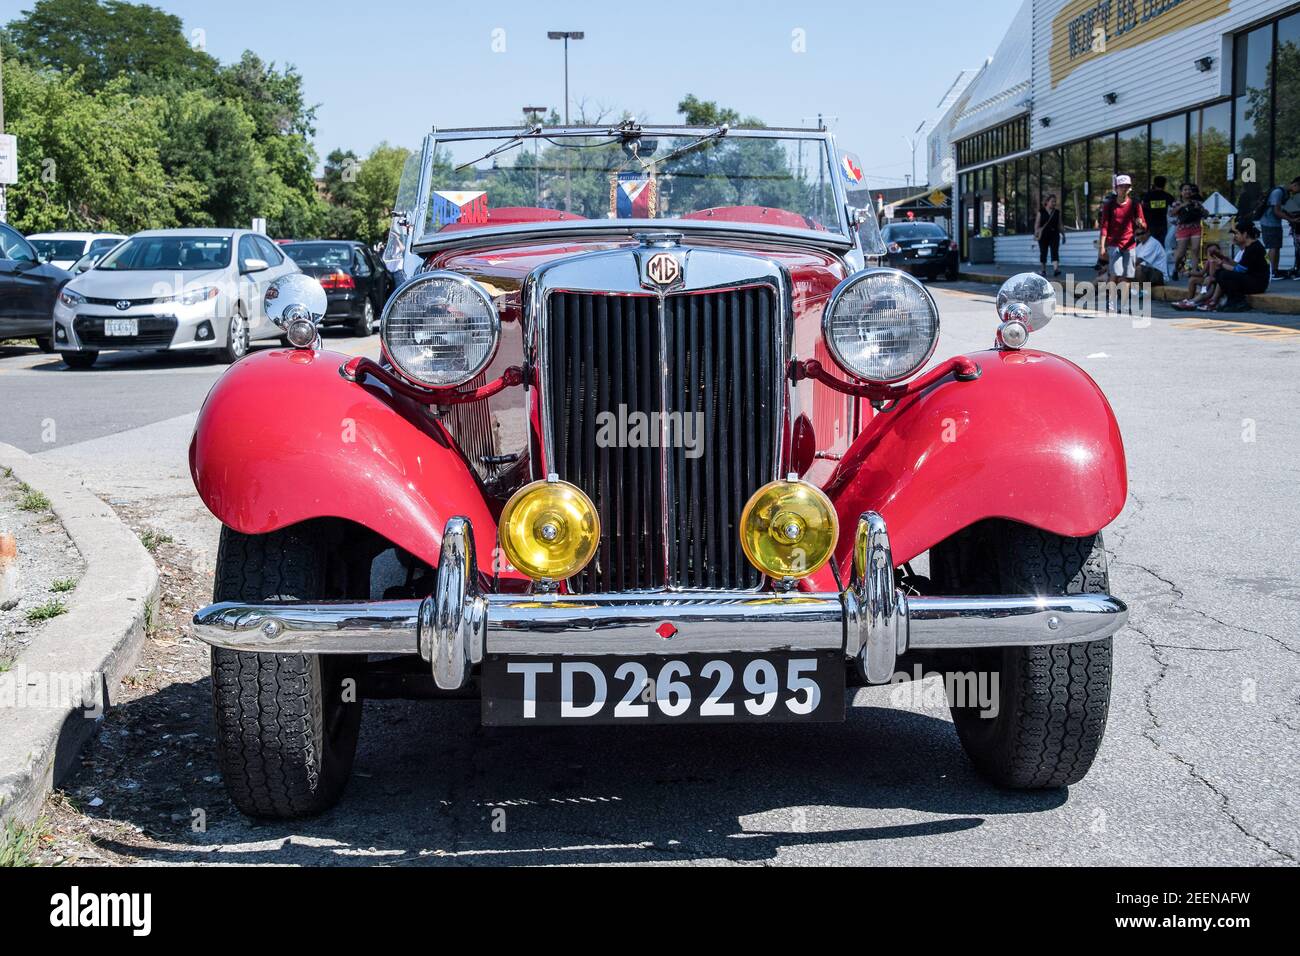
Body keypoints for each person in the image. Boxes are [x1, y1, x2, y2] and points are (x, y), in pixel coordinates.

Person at [1201, 221, 1269, 312]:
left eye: (1237, 233)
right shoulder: (1251, 247)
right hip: (1254, 280)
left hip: (1258, 284)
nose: (1235, 236)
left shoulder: (1253, 248)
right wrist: (1225, 259)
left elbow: (1239, 270)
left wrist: (1221, 264)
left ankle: (1238, 302)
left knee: (1224, 275)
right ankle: (1223, 300)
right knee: (1221, 274)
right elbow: (1241, 266)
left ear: (1245, 234)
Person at [1097, 173, 1147, 285]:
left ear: (1130, 188)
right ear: (1116, 188)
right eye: (1121, 186)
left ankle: (1123, 302)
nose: (1124, 189)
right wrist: (1102, 247)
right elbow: (1104, 227)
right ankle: (1111, 302)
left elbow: (1144, 225)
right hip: (1114, 244)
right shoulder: (1109, 205)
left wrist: (1140, 223)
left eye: (1127, 186)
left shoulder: (1135, 204)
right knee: (1114, 275)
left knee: (1127, 277)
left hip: (1129, 244)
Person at [1170, 182, 1207, 280]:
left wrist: (1200, 208)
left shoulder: (1196, 202)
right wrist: (1182, 205)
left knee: (1195, 249)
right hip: (1183, 229)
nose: (1187, 191)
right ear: (1181, 192)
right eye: (1185, 190)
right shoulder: (1177, 203)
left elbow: (1206, 213)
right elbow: (1171, 213)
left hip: (1195, 227)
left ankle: (1194, 271)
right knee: (1181, 253)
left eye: (1189, 189)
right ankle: (1175, 269)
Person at [1172, 242, 1224, 309]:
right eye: (1210, 252)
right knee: (1193, 279)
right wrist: (1190, 273)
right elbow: (1201, 273)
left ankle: (1196, 300)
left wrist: (1212, 262)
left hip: (1215, 284)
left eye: (1214, 251)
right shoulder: (1208, 262)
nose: (1212, 254)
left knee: (1208, 279)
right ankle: (1190, 299)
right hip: (1207, 282)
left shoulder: (1221, 261)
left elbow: (1213, 275)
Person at [1258, 182, 1288, 280]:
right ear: (1295, 185)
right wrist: (1290, 219)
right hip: (1269, 223)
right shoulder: (1278, 192)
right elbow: (1276, 211)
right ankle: (1270, 272)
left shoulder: (1281, 192)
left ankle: (1275, 270)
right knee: (1273, 247)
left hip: (1275, 223)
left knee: (1277, 247)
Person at [1141, 175, 1175, 250]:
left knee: (1150, 245)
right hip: (1164, 225)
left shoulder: (1148, 196)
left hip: (1150, 225)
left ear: (1154, 184)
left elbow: (1143, 208)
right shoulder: (1168, 197)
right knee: (1162, 245)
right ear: (1164, 184)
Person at [1034, 194, 1063, 277]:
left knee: (1055, 251)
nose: (1054, 203)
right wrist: (1036, 232)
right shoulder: (1041, 212)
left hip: (1054, 234)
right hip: (1043, 235)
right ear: (1047, 202)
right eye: (1052, 201)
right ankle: (1043, 270)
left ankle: (1056, 269)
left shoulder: (1057, 212)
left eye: (1055, 202)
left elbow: (1060, 224)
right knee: (1043, 252)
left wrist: (1063, 235)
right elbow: (1037, 223)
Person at [1278, 177, 1300, 280]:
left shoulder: (1296, 197)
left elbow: (1287, 209)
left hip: (1298, 227)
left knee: (1298, 248)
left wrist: (1292, 219)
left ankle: (1298, 270)